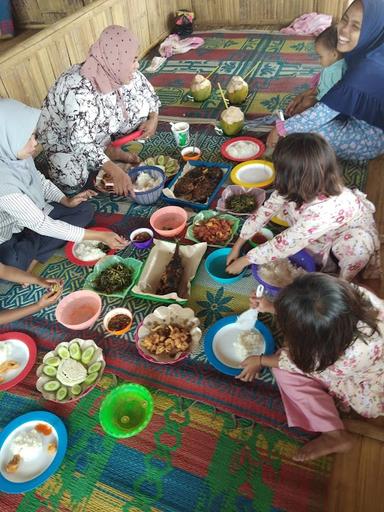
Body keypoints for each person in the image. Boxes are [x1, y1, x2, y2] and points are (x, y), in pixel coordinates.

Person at [237, 274, 384, 461]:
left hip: (367, 385)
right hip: (367, 362)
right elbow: (319, 312)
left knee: (282, 372)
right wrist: (272, 307)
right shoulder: (356, 294)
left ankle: (335, 436)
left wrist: (260, 360)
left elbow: (303, 366)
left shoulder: (346, 356)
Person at [226, 133, 380, 281]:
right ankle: (315, 250)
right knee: (283, 209)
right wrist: (238, 245)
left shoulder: (326, 208)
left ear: (293, 176)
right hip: (320, 229)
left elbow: (287, 242)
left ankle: (343, 284)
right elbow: (267, 209)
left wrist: (245, 261)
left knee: (356, 245)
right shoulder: (302, 183)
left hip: (346, 237)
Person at [0, 99, 127, 272]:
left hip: (36, 216)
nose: (35, 143)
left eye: (33, 135)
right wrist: (100, 236)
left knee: (84, 209)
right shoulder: (3, 183)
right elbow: (41, 224)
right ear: (6, 137)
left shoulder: (15, 155)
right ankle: (38, 246)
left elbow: (39, 181)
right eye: (27, 138)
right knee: (14, 263)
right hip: (10, 234)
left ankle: (38, 249)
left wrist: (65, 200)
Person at [37, 25, 161, 195]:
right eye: (133, 60)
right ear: (117, 60)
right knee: (72, 182)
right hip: (64, 138)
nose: (137, 65)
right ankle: (103, 153)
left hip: (93, 130)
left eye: (135, 58)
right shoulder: (79, 90)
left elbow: (149, 95)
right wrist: (116, 172)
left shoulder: (115, 68)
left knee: (138, 106)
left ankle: (104, 150)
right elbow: (80, 141)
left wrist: (153, 119)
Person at [267, 0, 384, 162]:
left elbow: (322, 113)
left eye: (355, 27)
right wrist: (307, 95)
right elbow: (336, 89)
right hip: (358, 119)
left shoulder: (368, 68)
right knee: (306, 111)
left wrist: (282, 129)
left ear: (372, 28)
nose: (343, 30)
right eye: (344, 20)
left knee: (305, 131)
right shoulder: (368, 49)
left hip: (368, 141)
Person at [286, 25, 347, 116]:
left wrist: (313, 100)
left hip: (329, 103)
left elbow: (337, 97)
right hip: (321, 93)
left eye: (320, 56)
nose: (319, 60)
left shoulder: (338, 71)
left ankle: (295, 117)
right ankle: (295, 112)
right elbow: (322, 86)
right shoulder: (331, 64)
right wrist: (304, 95)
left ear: (334, 54)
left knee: (307, 102)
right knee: (303, 98)